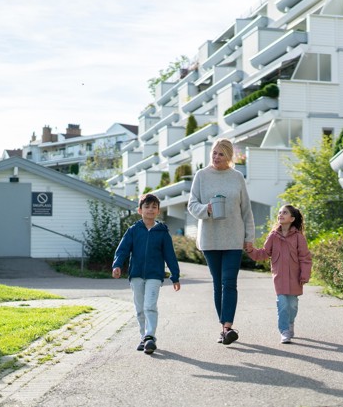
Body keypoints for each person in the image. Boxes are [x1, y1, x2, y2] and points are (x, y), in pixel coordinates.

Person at [188, 138, 255, 345]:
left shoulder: (237, 177)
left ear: (229, 157)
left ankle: (228, 327)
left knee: (229, 283)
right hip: (210, 239)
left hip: (234, 238)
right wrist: (206, 209)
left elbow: (246, 210)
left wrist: (249, 238)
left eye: (221, 154)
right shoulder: (201, 176)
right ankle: (223, 328)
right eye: (214, 153)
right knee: (218, 284)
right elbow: (191, 205)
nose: (216, 157)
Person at [112, 193, 181, 354]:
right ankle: (143, 337)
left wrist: (175, 276)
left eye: (154, 207)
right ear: (140, 210)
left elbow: (170, 256)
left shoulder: (162, 232)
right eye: (147, 206)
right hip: (136, 275)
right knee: (139, 308)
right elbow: (122, 250)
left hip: (155, 275)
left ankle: (150, 337)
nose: (150, 210)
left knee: (150, 306)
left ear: (158, 211)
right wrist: (117, 265)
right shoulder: (133, 231)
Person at [246, 204, 312, 344]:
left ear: (292, 218)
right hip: (279, 277)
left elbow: (305, 258)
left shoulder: (299, 237)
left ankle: (290, 322)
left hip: (295, 277)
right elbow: (264, 253)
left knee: (292, 305)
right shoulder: (273, 236)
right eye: (280, 212)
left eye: (285, 213)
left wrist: (304, 275)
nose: (280, 215)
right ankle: (284, 331)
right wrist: (251, 250)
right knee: (282, 303)